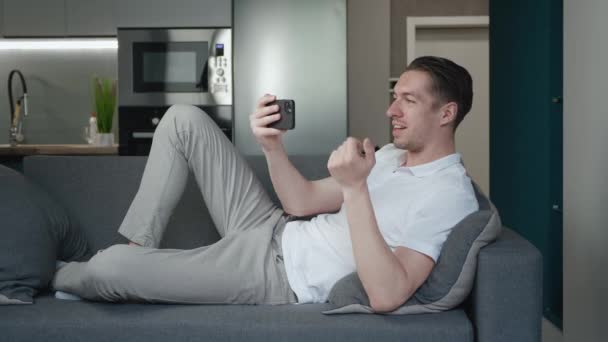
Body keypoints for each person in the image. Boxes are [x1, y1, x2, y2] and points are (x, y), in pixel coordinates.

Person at [52, 56, 478, 312]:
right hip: (272, 228)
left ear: (446, 113)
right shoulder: (387, 157)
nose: (391, 111)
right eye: (394, 95)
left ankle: (52, 274)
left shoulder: (449, 196)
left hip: (275, 274)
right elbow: (301, 202)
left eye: (409, 100)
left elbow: (387, 294)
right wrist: (272, 146)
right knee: (183, 119)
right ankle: (138, 252)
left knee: (107, 268)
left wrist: (355, 189)